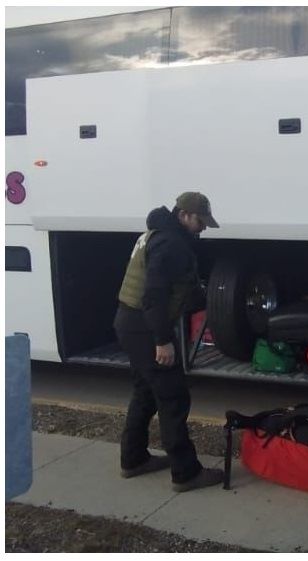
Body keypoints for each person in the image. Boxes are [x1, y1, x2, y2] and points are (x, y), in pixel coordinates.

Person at [115, 191, 224, 492]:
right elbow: (154, 296)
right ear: (185, 215)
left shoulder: (158, 234)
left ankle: (133, 459)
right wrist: (163, 341)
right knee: (173, 397)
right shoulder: (171, 244)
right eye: (200, 221)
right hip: (145, 328)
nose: (202, 228)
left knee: (146, 392)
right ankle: (186, 473)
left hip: (129, 322)